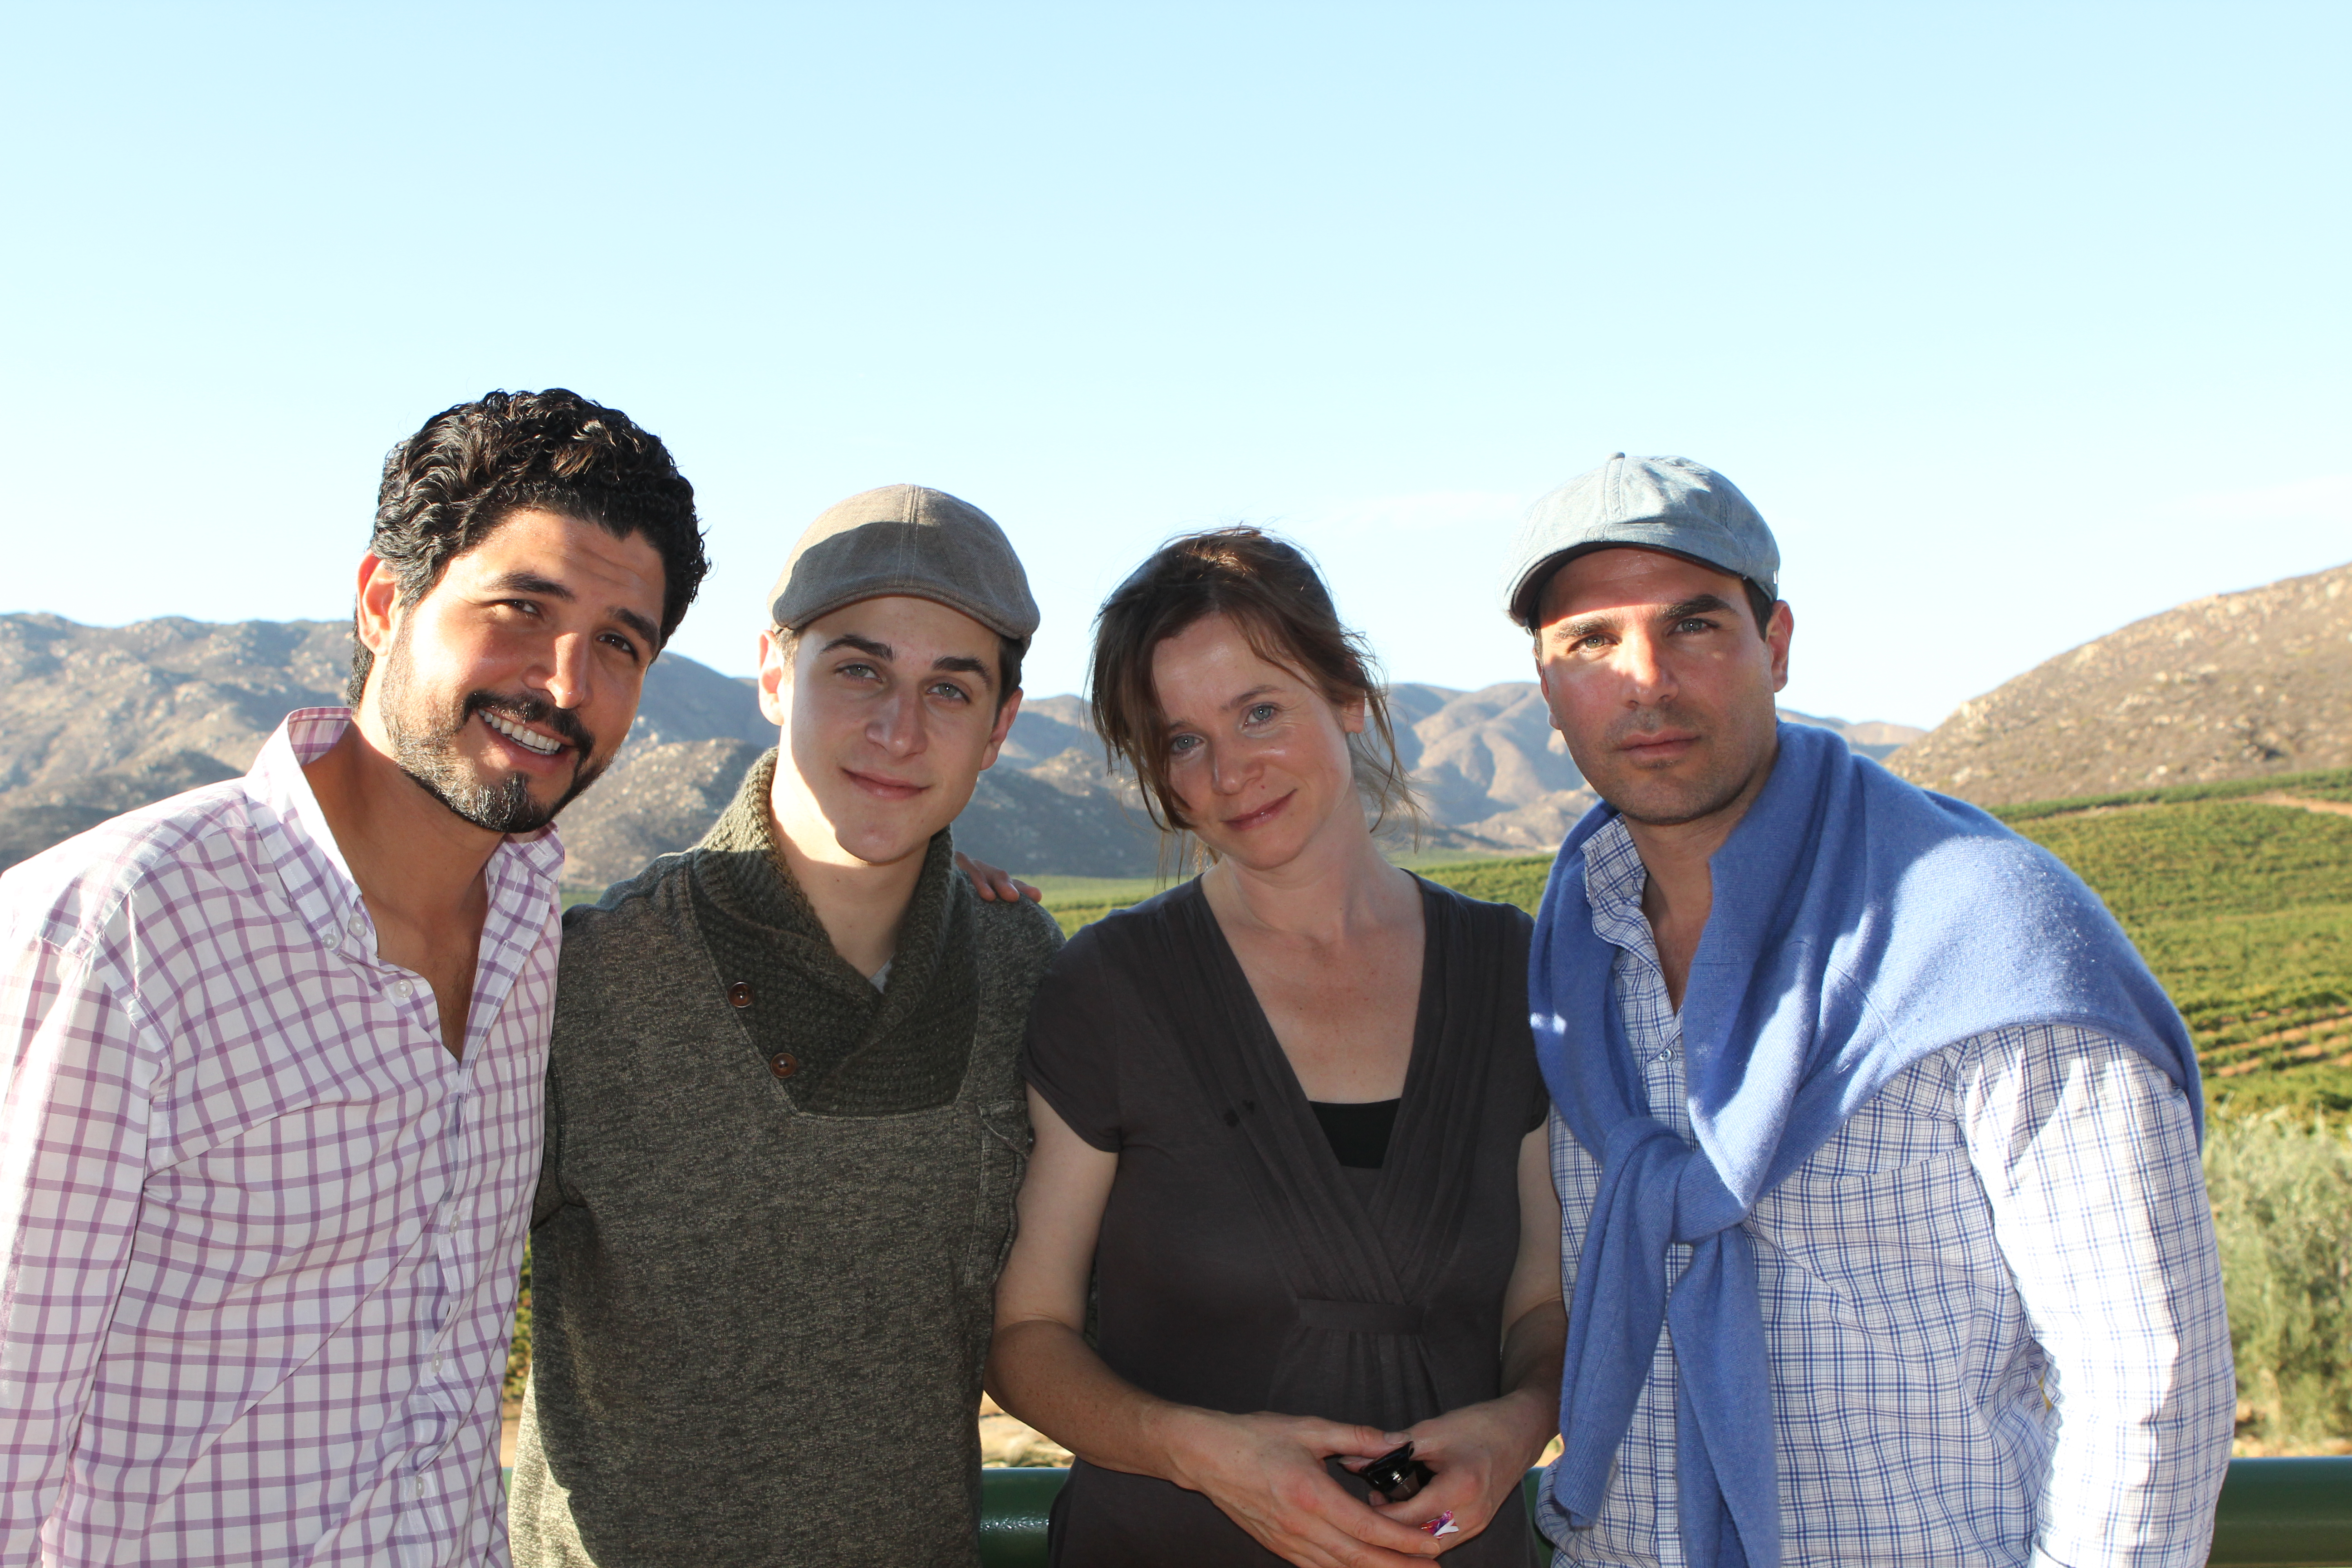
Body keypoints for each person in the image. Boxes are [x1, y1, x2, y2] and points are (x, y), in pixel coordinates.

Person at [0, 389, 709, 1565]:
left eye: (620, 645)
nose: (566, 684)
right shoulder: (117, 936)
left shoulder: (536, 938)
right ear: (385, 601)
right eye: (522, 610)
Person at [1505, 453, 2235, 1568]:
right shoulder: (1569, 960)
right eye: (1590, 642)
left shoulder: (1987, 933)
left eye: (1694, 625)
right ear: (1549, 689)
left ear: (1778, 644)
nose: (1643, 681)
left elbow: (2147, 1373)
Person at [510, 484, 1066, 1568]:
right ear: (775, 673)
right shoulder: (589, 980)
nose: (897, 730)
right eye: (857, 670)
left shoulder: (1021, 969)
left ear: (998, 730)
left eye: (949, 690)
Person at [989, 528, 1564, 1568]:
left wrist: (1520, 1424)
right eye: (1182, 741)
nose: (1230, 771)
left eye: (1259, 711)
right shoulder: (1113, 990)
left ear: (1347, 698)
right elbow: (1026, 1337)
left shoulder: (1512, 974)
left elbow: (1541, 1301)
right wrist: (1205, 1456)